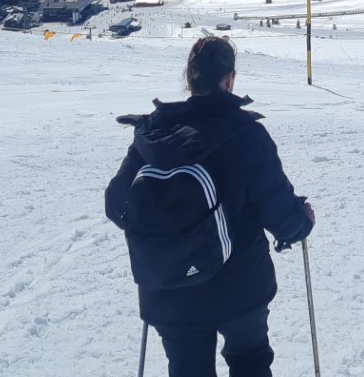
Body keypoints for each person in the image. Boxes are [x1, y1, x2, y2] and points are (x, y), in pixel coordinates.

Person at [105, 37, 314, 377]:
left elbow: (117, 206)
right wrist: (302, 222)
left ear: (190, 78)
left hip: (168, 289)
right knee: (250, 362)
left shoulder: (153, 134)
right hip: (240, 288)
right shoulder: (246, 133)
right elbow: (279, 212)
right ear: (229, 79)